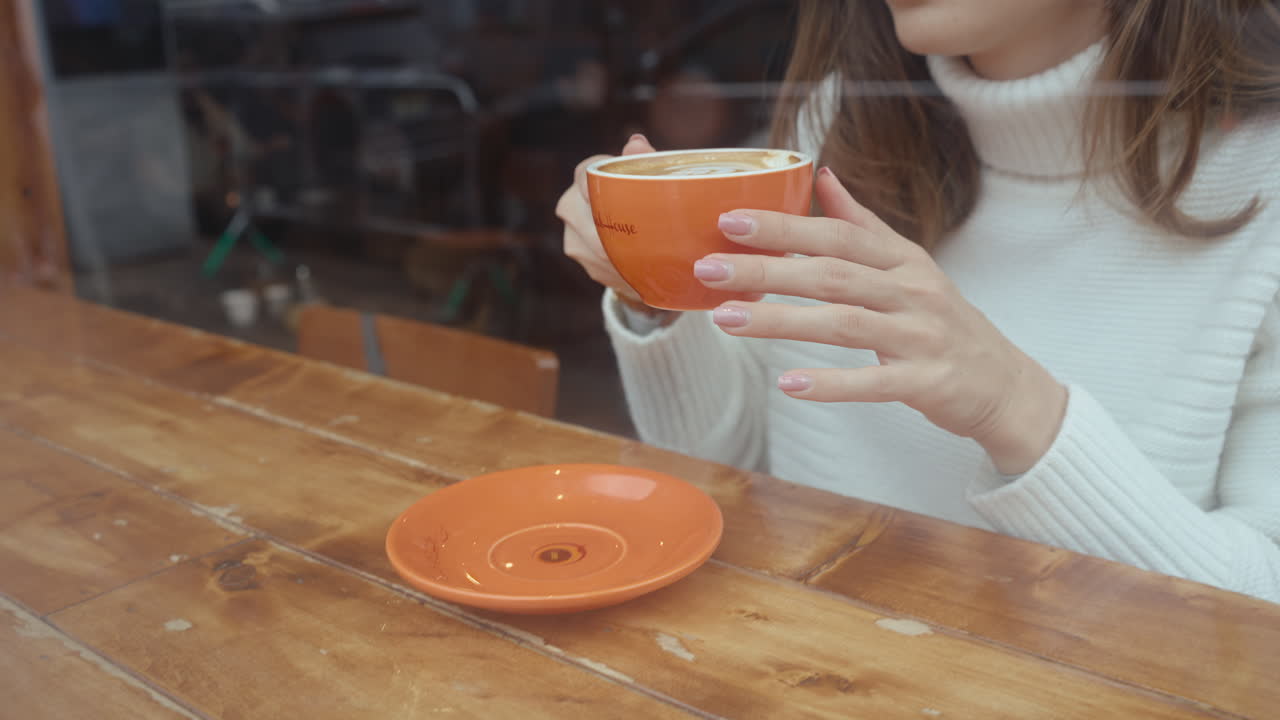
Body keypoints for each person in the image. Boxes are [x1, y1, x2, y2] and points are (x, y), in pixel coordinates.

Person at [556, 0, 1280, 603]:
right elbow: (742, 472)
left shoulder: (1263, 177)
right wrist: (656, 294)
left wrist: (1015, 406)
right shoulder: (839, 124)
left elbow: (1258, 626)